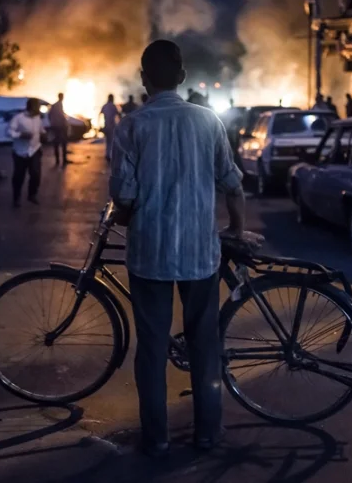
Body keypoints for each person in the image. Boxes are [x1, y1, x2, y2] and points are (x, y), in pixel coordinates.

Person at [109, 39, 246, 457]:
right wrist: (237, 228)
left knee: (150, 348)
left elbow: (124, 195)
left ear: (143, 79)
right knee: (204, 343)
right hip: (199, 254)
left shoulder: (131, 126)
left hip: (149, 254)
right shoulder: (207, 122)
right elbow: (232, 183)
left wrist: (125, 216)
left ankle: (157, 437)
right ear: (183, 78)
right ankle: (208, 432)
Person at [9, 98, 46, 207]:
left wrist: (44, 134)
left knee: (36, 174)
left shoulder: (38, 118)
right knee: (19, 176)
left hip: (35, 150)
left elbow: (41, 130)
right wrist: (20, 135)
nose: (39, 108)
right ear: (31, 107)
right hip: (20, 152)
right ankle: (16, 198)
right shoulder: (18, 118)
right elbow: (9, 131)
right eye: (37, 106)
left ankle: (32, 195)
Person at [49, 92, 70, 167]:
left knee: (56, 143)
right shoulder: (58, 105)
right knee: (63, 143)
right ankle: (63, 160)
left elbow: (50, 115)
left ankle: (58, 160)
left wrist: (52, 123)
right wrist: (65, 123)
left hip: (55, 126)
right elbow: (61, 115)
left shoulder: (54, 105)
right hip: (60, 127)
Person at [100, 94, 121, 161]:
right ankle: (109, 155)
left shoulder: (105, 106)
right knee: (111, 141)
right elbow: (118, 115)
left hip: (106, 125)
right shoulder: (113, 106)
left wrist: (100, 125)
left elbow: (100, 114)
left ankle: (107, 154)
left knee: (107, 140)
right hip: (112, 126)